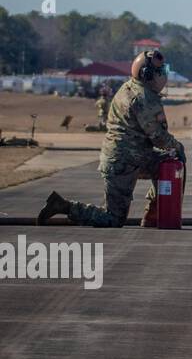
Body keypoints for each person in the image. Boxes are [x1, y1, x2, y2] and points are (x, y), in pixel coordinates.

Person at [40, 50, 184, 227]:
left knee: (167, 164)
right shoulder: (145, 98)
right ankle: (64, 206)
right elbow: (159, 138)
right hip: (123, 162)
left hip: (131, 157)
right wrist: (177, 146)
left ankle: (153, 215)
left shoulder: (128, 87)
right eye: (160, 72)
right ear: (147, 75)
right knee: (113, 219)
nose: (164, 76)